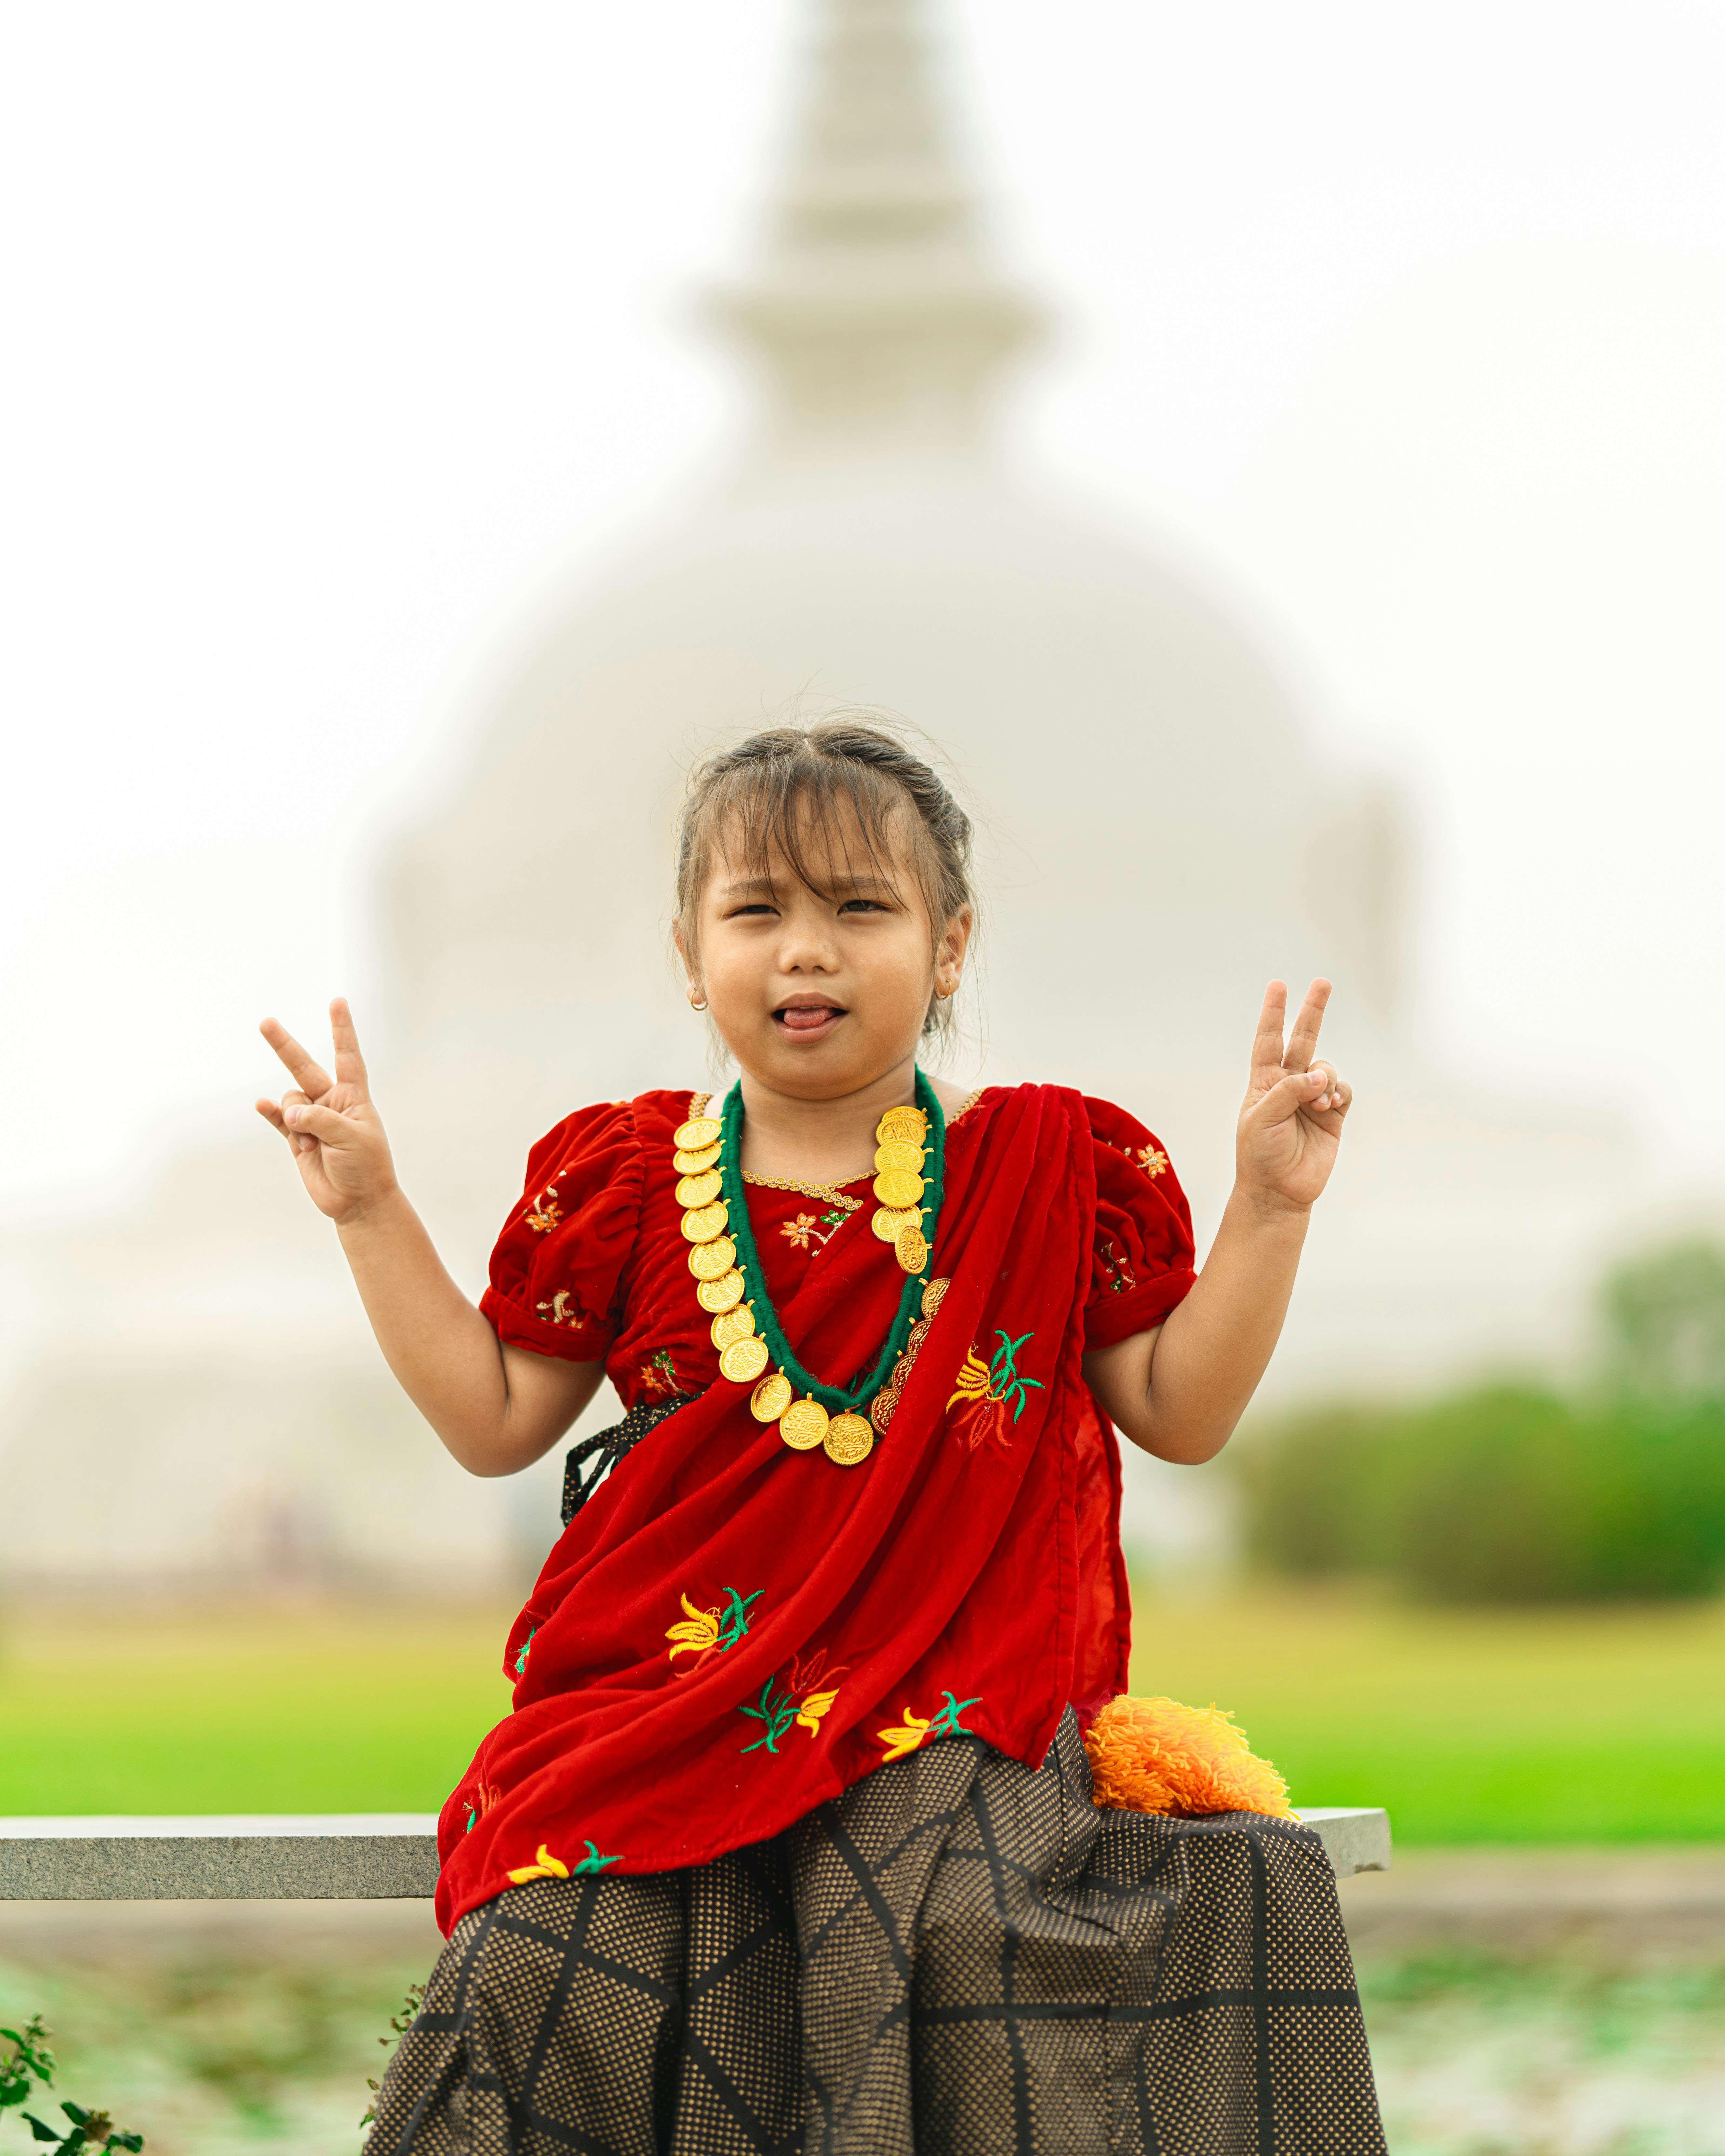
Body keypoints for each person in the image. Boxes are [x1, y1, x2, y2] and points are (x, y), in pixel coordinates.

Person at [258, 719, 1384, 2156]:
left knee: (965, 1919)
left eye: (861, 908)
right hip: (655, 1710)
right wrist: (371, 1211)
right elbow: (493, 1419)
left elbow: (1182, 1406)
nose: (808, 951)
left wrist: (1270, 1209)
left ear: (952, 942)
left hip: (947, 1707)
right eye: (758, 911)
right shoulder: (620, 1178)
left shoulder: (1049, 1165)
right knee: (550, 1956)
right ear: (689, 952)